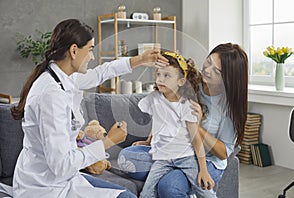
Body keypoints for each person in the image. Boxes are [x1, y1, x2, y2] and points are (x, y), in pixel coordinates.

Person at [9, 19, 168, 198]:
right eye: (91, 50)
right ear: (74, 50)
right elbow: (61, 166)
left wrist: (140, 60)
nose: (92, 57)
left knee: (125, 195)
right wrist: (108, 142)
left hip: (65, 180)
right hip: (44, 188)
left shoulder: (65, 78)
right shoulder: (50, 95)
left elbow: (101, 73)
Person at [156, 43, 248, 197]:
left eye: (217, 71)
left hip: (210, 161)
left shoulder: (228, 106)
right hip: (178, 151)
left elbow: (223, 152)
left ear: (229, 78)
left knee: (169, 186)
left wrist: (196, 126)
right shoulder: (191, 83)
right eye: (209, 61)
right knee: (130, 159)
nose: (207, 69)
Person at [132, 51, 215, 198]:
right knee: (146, 195)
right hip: (162, 158)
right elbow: (159, 123)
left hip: (186, 157)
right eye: (158, 74)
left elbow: (196, 138)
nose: (160, 79)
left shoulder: (187, 105)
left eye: (167, 75)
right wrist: (148, 141)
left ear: (181, 81)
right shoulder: (153, 98)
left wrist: (203, 169)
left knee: (205, 191)